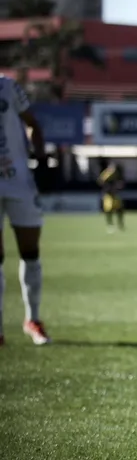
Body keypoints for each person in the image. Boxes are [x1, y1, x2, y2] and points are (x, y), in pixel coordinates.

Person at [0, 75, 49, 346]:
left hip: (19, 181)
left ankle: (33, 319)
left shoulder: (8, 86)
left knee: (30, 252)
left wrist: (40, 157)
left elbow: (33, 125)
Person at [98, 160, 125, 232]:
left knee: (120, 209)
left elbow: (120, 182)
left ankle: (120, 224)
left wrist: (119, 185)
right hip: (108, 195)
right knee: (108, 209)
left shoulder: (116, 174)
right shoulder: (106, 174)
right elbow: (100, 181)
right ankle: (110, 225)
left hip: (115, 194)